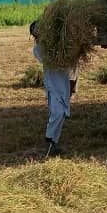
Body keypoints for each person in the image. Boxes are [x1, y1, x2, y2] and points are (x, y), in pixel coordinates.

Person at [31, 21, 77, 157]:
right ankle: (49, 140)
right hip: (53, 84)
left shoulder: (55, 44)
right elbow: (55, 59)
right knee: (57, 112)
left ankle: (54, 142)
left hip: (62, 82)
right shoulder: (38, 49)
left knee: (61, 113)